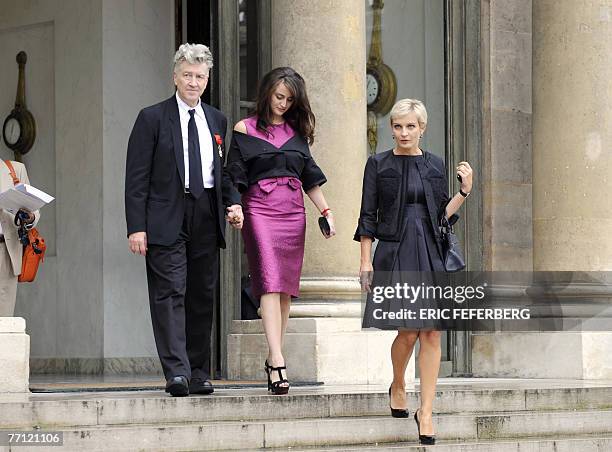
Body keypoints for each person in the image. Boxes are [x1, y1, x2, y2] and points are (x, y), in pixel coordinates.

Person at [125, 43, 243, 397]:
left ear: (207, 80)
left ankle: (197, 372)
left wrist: (233, 204)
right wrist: (136, 226)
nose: (194, 82)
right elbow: (136, 178)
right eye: (188, 75)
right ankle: (176, 372)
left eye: (200, 76)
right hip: (165, 216)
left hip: (206, 213)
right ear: (175, 76)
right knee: (170, 292)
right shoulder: (152, 118)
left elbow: (222, 174)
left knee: (201, 296)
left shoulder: (217, 119)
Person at [355, 99, 473, 444]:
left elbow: (441, 216)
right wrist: (365, 261)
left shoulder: (435, 164)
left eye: (410, 126)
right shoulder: (377, 165)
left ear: (422, 128)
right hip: (395, 251)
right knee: (407, 332)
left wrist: (463, 193)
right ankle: (398, 382)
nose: (403, 132)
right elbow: (367, 216)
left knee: (432, 333)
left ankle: (426, 411)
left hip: (430, 252)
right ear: (391, 128)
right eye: (397, 126)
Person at [226, 67, 335, 395]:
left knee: (285, 290)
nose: (283, 104)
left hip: (293, 214)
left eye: (289, 99)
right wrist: (235, 206)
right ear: (266, 92)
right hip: (259, 209)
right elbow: (234, 174)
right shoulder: (244, 128)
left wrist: (327, 211)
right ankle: (277, 358)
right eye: (278, 97)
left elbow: (310, 178)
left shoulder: (296, 134)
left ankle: (275, 356)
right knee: (269, 286)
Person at [0, 160, 38, 316]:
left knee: (5, 319)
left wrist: (30, 217)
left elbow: (33, 210)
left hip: (7, 251)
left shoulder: (15, 170)